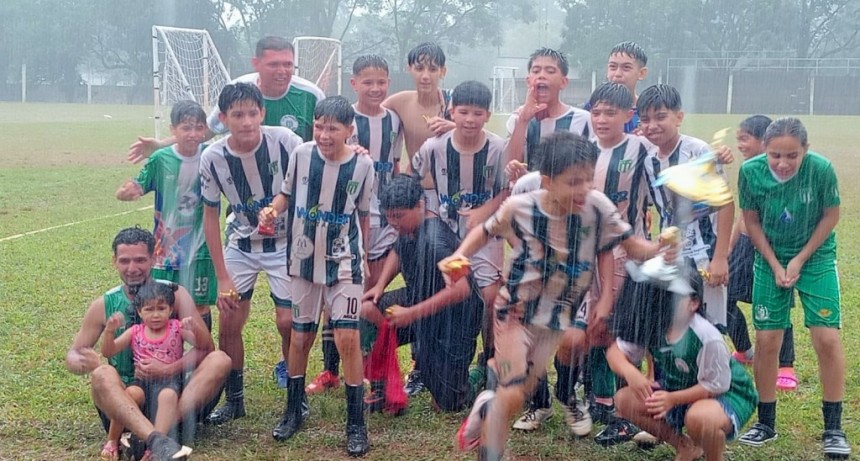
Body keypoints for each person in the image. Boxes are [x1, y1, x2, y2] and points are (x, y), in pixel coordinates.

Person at [450, 131, 671, 461]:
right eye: (573, 182)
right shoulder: (521, 207)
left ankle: (486, 405)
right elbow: (485, 231)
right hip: (514, 311)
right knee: (513, 387)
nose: (583, 190)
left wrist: (657, 249)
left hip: (556, 318)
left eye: (588, 180)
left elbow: (623, 245)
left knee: (520, 392)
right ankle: (492, 452)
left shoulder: (597, 207)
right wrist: (461, 256)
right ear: (547, 181)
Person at [260, 96, 374, 457]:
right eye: (319, 126)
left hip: (345, 261)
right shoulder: (301, 154)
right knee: (300, 338)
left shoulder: (363, 165)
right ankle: (294, 409)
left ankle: (356, 423)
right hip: (303, 259)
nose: (325, 134)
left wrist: (365, 258)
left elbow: (366, 215)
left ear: (349, 130)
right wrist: (271, 210)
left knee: (348, 339)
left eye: (333, 128)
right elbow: (285, 194)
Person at [736, 117, 851, 458]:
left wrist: (800, 259)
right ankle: (765, 422)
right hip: (769, 255)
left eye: (792, 156)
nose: (783, 164)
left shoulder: (821, 170)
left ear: (806, 150)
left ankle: (833, 428)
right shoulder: (750, 172)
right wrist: (774, 263)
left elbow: (831, 215)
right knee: (767, 340)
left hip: (814, 257)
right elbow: (751, 221)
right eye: (775, 155)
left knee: (826, 339)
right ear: (765, 151)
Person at [65, 227, 230, 461]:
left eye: (140, 260)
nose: (132, 269)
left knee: (220, 360)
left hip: (171, 398)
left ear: (154, 258)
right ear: (114, 262)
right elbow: (73, 354)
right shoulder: (104, 303)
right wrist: (80, 360)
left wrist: (168, 369)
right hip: (124, 404)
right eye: (124, 261)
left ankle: (148, 435)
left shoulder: (175, 294)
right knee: (102, 373)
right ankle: (158, 440)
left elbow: (206, 348)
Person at [198, 82, 303, 424]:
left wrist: (355, 151)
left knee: (288, 321)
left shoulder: (285, 142)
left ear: (263, 113)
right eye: (237, 114)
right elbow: (211, 217)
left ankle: (295, 397)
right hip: (241, 245)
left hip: (285, 243)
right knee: (229, 320)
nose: (245, 121)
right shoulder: (213, 157)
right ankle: (235, 399)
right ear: (224, 118)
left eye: (251, 113)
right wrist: (222, 275)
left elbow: (318, 159)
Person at [307, 54, 404, 397]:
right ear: (354, 83)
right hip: (342, 217)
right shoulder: (343, 118)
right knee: (331, 299)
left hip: (379, 219)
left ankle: (365, 369)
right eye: (367, 81)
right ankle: (329, 369)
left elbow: (392, 165)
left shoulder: (393, 120)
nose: (375, 88)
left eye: (381, 82)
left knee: (363, 299)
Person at [360, 175, 484, 412]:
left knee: (448, 403)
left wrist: (411, 314)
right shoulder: (409, 227)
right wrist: (380, 285)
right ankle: (382, 390)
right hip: (419, 300)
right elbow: (398, 249)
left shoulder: (436, 241)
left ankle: (481, 373)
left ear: (420, 205)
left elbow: (462, 289)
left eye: (398, 216)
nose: (393, 222)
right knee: (366, 312)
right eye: (388, 216)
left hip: (455, 320)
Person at [411, 79, 507, 376]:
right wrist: (428, 217)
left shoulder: (497, 148)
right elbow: (411, 179)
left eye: (477, 113)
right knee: (438, 295)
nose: (470, 119)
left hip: (487, 234)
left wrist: (483, 211)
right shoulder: (435, 147)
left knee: (490, 299)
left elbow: (506, 192)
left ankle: (489, 356)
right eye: (463, 111)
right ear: (451, 111)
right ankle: (423, 366)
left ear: (488, 115)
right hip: (445, 231)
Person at [607, 272, 758, 461]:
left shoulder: (706, 336)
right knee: (625, 400)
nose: (663, 301)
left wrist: (672, 399)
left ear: (693, 303)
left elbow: (715, 386)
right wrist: (630, 372)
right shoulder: (655, 325)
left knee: (700, 418)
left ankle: (714, 456)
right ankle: (685, 446)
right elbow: (614, 352)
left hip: (727, 394)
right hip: (678, 389)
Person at [127, 36, 324, 163]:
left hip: (294, 186)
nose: (282, 71)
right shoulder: (236, 90)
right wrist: (161, 145)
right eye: (274, 64)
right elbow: (207, 131)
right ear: (256, 63)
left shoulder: (311, 95)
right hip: (245, 183)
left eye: (288, 64)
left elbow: (325, 143)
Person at [383, 42, 454, 394]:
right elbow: (367, 118)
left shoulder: (454, 103)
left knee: (446, 274)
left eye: (432, 68)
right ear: (410, 68)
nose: (425, 75)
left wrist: (454, 125)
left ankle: (448, 355)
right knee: (417, 274)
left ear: (443, 71)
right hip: (414, 198)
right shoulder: (398, 101)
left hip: (447, 199)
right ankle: (418, 364)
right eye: (419, 67)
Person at [116, 101, 216, 327]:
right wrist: (127, 192)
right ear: (173, 130)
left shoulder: (212, 155)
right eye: (186, 128)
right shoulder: (160, 159)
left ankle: (202, 356)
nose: (193, 134)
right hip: (166, 249)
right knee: (162, 303)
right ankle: (166, 353)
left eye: (198, 128)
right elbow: (136, 186)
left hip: (201, 248)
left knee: (199, 305)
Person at [726, 115, 798, 391]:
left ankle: (786, 366)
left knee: (775, 306)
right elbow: (743, 216)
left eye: (745, 138)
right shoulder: (748, 170)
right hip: (745, 245)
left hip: (773, 249)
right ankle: (744, 350)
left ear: (763, 140)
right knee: (725, 299)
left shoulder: (783, 172)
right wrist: (730, 248)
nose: (740, 144)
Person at [100, 282, 209, 460]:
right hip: (141, 381)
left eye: (161, 308)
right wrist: (109, 332)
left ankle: (155, 445)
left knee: (168, 396)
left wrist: (194, 328)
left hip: (170, 381)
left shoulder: (176, 327)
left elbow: (203, 345)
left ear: (171, 309)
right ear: (139, 312)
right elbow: (108, 351)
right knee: (129, 394)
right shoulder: (135, 331)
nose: (156, 315)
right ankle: (112, 440)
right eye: (149, 309)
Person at [505, 48, 592, 173]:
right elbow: (511, 166)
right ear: (528, 81)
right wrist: (523, 120)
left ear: (563, 82)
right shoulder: (518, 119)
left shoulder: (584, 119)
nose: (541, 76)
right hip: (531, 192)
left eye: (550, 71)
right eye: (536, 71)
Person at [583, 41, 649, 134]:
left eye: (626, 68)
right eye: (613, 67)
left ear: (641, 73)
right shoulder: (591, 107)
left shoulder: (647, 111)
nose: (617, 74)